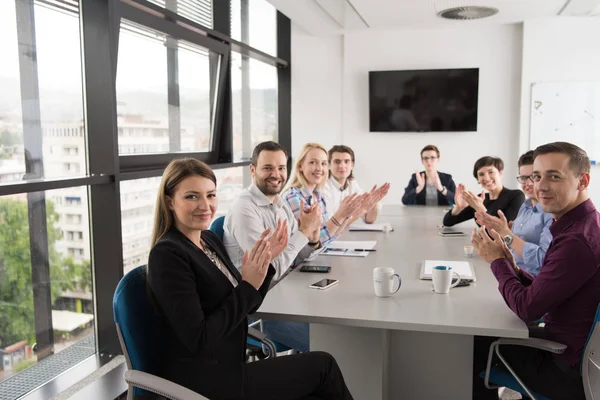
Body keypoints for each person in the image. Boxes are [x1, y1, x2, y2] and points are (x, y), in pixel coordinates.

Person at [146, 158, 354, 400]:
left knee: (318, 376)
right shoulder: (168, 255)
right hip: (205, 380)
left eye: (211, 195)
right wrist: (247, 285)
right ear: (170, 202)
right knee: (323, 367)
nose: (205, 205)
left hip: (231, 365)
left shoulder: (208, 241)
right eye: (192, 196)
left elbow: (248, 303)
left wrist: (264, 266)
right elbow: (200, 339)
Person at [471, 142, 600, 400]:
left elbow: (527, 308)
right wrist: (510, 264)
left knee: (468, 347)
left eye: (554, 176)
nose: (540, 186)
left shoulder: (576, 240)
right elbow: (547, 285)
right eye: (536, 176)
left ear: (583, 180)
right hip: (570, 347)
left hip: (564, 367)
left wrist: (497, 263)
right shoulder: (578, 225)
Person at [224, 141, 322, 353]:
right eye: (268, 168)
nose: (276, 174)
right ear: (252, 170)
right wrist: (302, 232)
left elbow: (295, 257)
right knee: (332, 342)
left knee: (340, 324)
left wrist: (311, 237)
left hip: (287, 295)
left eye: (281, 168)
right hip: (262, 309)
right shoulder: (245, 209)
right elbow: (271, 271)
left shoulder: (279, 202)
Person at [475, 151, 553, 276]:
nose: (527, 183)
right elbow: (512, 244)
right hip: (512, 273)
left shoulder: (551, 213)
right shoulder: (525, 206)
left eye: (533, 176)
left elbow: (542, 261)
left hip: (530, 282)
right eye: (523, 178)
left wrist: (507, 235)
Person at [282, 143, 377, 245]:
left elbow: (330, 235)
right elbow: (314, 242)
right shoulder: (293, 197)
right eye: (313, 162)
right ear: (300, 166)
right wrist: (341, 215)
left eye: (323, 163)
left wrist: (346, 215)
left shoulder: (317, 196)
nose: (319, 168)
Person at [442, 156, 525, 226]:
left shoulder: (516, 196)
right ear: (478, 179)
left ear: (500, 173)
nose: (486, 178)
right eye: (481, 174)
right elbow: (447, 222)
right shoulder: (480, 199)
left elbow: (505, 231)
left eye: (491, 172)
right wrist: (458, 207)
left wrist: (480, 208)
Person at [322, 145, 390, 224]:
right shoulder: (323, 187)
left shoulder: (352, 183)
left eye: (346, 161)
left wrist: (373, 204)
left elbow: (369, 219)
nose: (342, 166)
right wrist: (361, 211)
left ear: (352, 165)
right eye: (337, 162)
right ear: (329, 165)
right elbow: (331, 225)